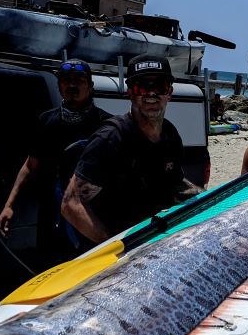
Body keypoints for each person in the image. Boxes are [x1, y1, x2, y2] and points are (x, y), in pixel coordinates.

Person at [61, 54, 203, 242]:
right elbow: (71, 204)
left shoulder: (170, 135)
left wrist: (211, 200)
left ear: (170, 92)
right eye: (142, 86)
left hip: (154, 238)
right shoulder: (111, 138)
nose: (150, 93)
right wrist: (115, 246)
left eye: (159, 86)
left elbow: (177, 184)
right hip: (118, 248)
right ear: (130, 92)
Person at [0, 60, 113, 267]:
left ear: (90, 86)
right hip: (52, 221)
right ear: (59, 86)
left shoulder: (107, 125)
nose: (72, 85)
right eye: (66, 80)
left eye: (79, 80)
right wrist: (9, 206)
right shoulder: (46, 121)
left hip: (92, 218)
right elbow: (31, 166)